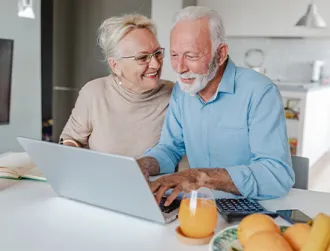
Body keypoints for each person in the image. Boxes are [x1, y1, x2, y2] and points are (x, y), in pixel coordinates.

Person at [137, 6, 295, 206]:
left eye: (191, 56)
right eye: (175, 55)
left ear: (220, 54)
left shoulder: (260, 92)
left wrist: (201, 177)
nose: (180, 68)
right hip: (200, 207)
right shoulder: (182, 91)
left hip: (251, 207)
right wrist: (144, 164)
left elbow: (277, 175)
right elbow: (170, 148)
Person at [59, 14, 173, 164]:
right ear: (115, 66)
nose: (156, 65)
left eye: (157, 53)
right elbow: (71, 139)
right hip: (102, 182)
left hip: (153, 185)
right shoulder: (94, 92)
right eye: (142, 58)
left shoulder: (174, 96)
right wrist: (70, 153)